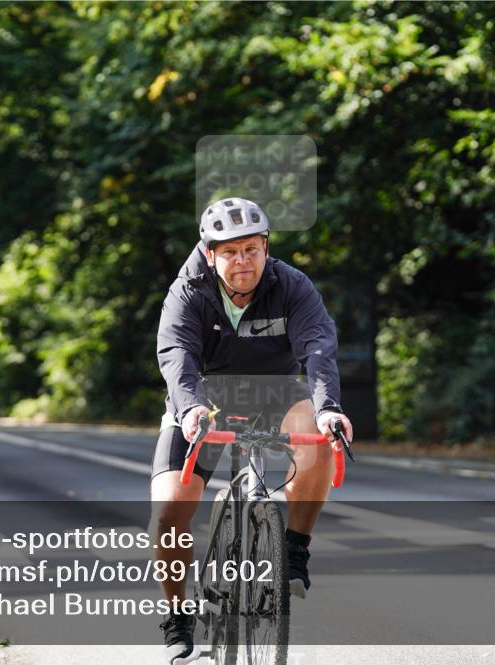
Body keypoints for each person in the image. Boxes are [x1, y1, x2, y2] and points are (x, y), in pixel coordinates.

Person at [151, 197, 354, 664]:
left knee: (319, 439)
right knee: (168, 512)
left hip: (273, 392)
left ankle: (295, 549)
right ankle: (177, 616)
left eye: (251, 249)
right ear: (210, 254)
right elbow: (176, 355)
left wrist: (329, 410)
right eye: (230, 252)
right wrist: (189, 410)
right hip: (203, 399)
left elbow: (318, 349)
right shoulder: (188, 291)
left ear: (266, 247)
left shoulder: (292, 286)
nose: (242, 261)